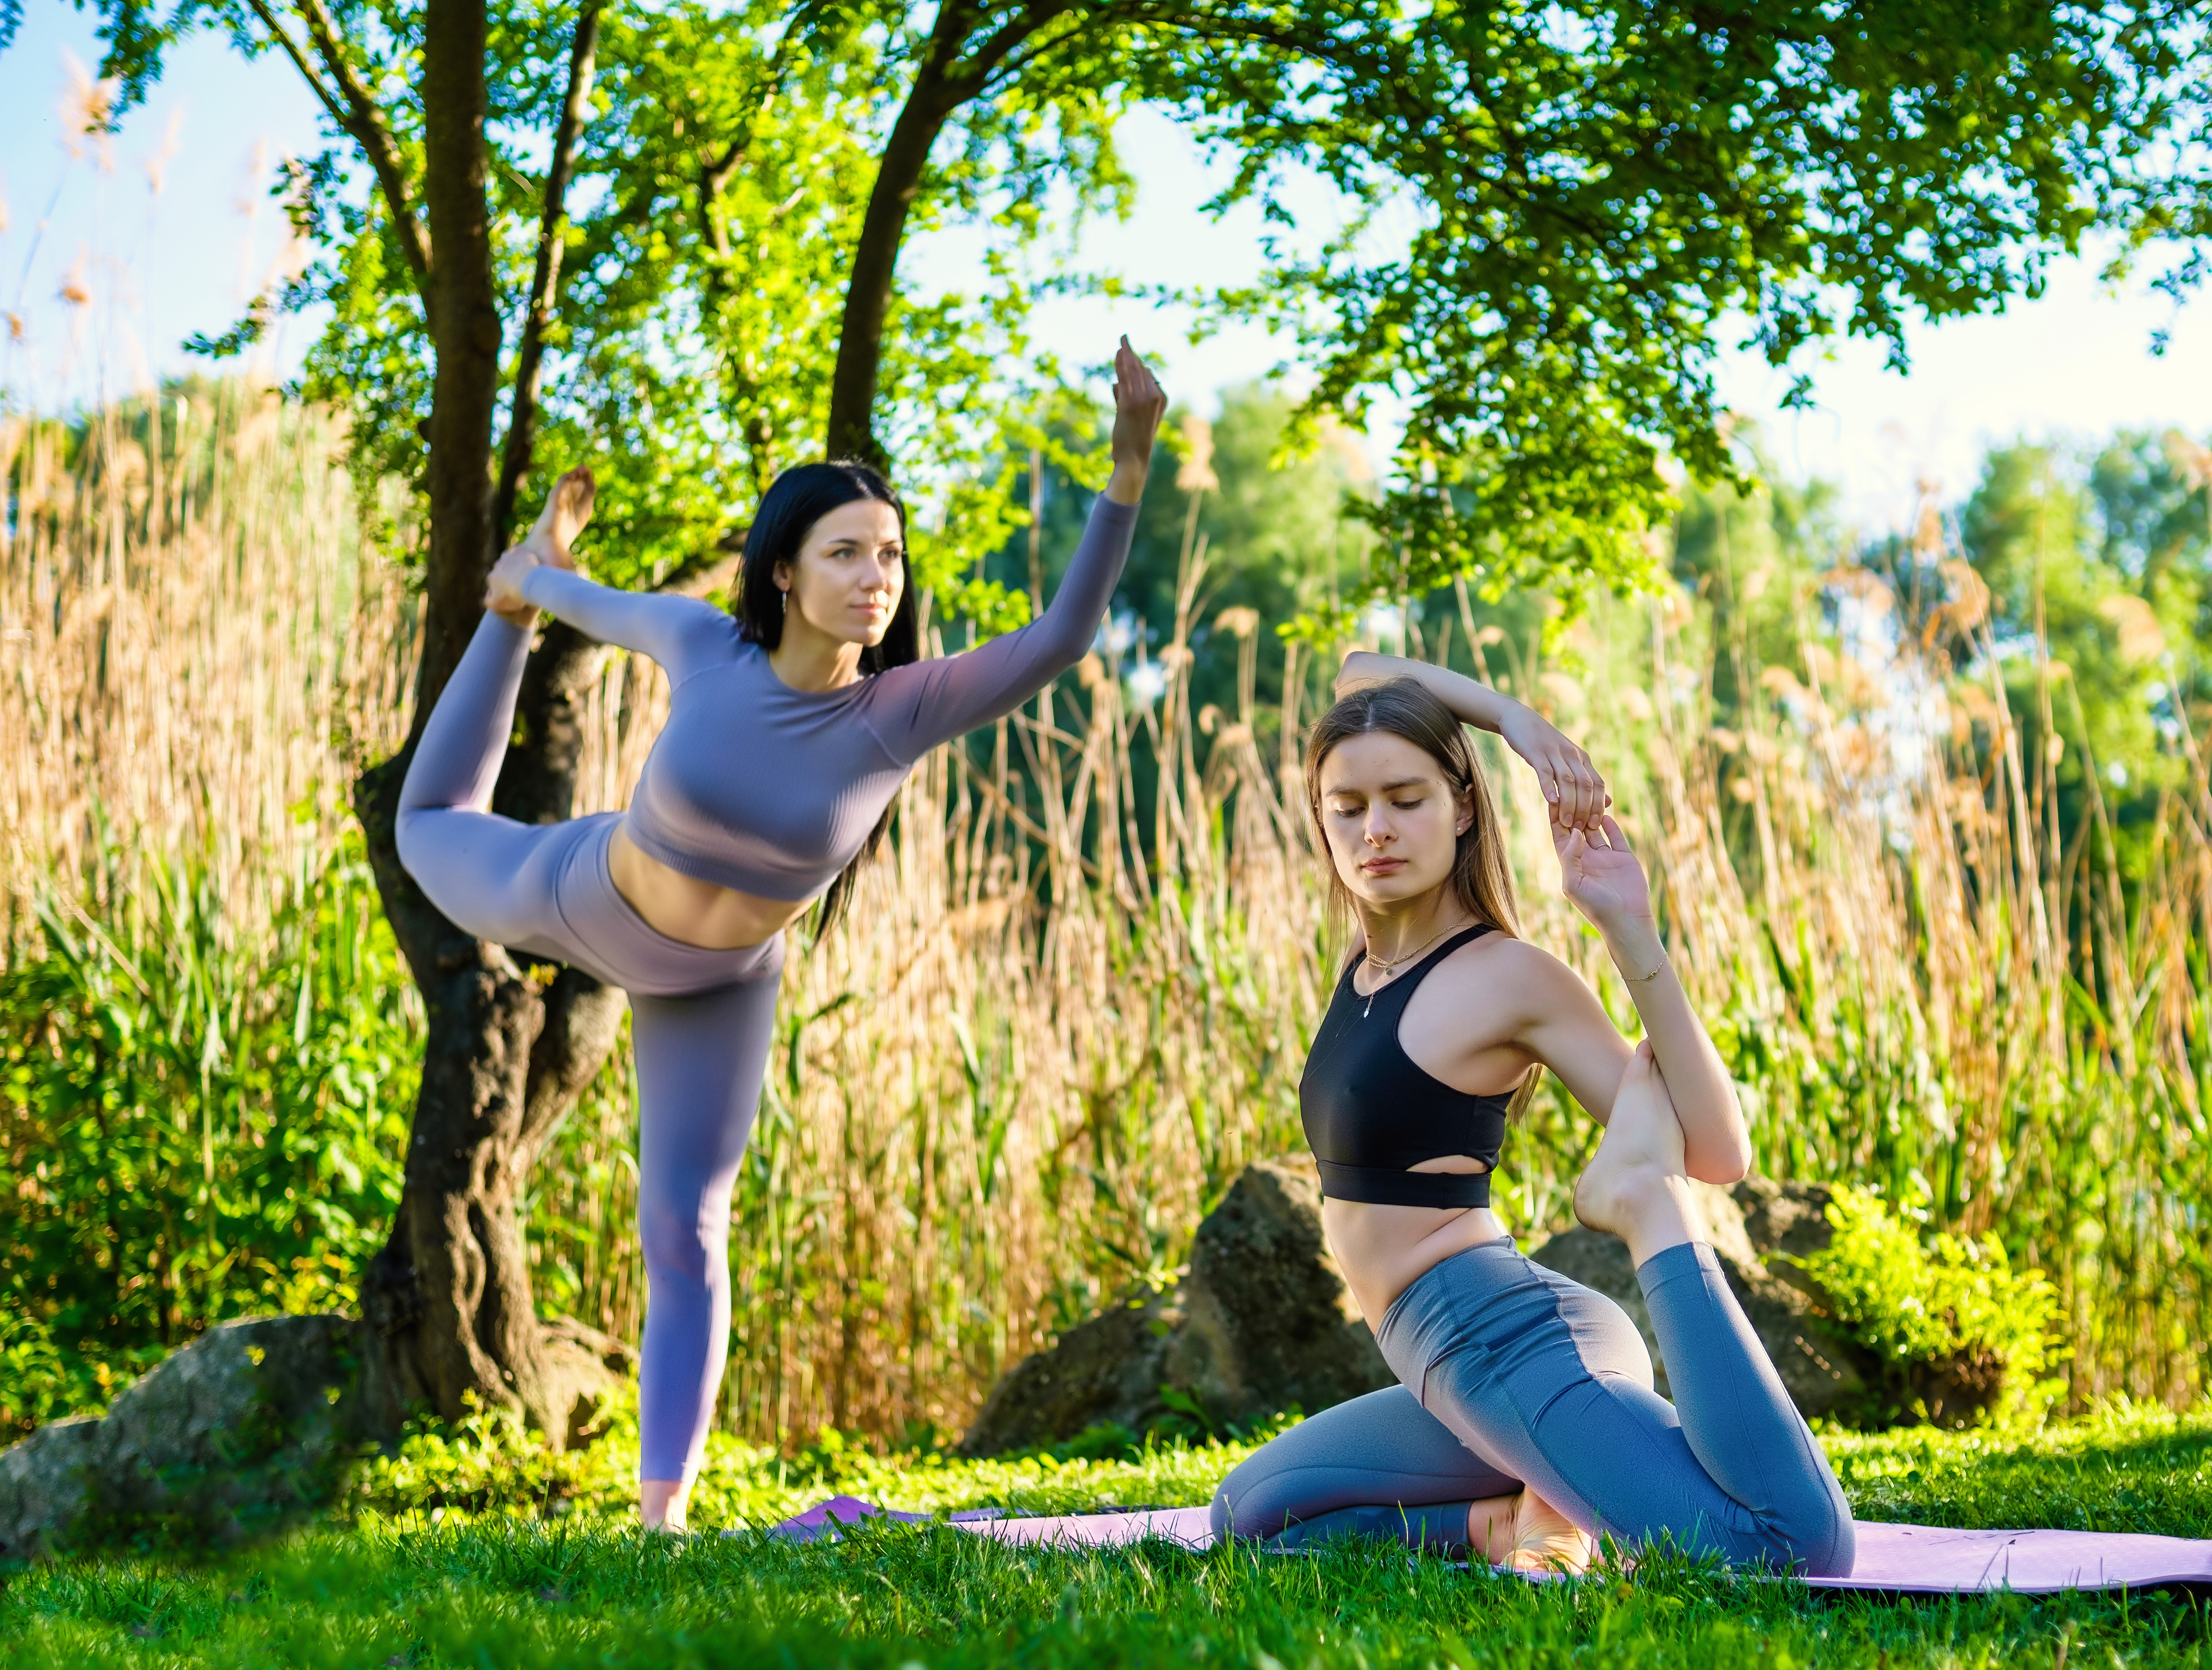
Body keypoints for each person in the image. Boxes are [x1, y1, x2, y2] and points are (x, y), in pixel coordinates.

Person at [396, 342, 1168, 1529]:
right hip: (580, 893)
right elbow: (590, 607)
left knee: (686, 1228)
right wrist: (532, 588)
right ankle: (496, 606)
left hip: (716, 981)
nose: (876, 578)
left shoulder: (900, 713)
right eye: (846, 553)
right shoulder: (709, 645)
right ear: (786, 573)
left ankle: (661, 1524)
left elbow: (1060, 640)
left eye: (891, 555)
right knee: (425, 825)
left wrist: (1125, 473)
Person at [1208, 671, 1854, 1575]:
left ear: (1464, 807)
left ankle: (1640, 1202)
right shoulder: (1368, 957)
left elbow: (1719, 1147)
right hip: (1437, 1357)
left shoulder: (1508, 974)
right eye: (1346, 807)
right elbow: (1363, 677)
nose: (1376, 830)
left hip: (1497, 1331)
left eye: (1406, 799)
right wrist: (1511, 717)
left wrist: (1628, 927)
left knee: (1787, 1545)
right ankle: (1509, 1525)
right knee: (1246, 1512)